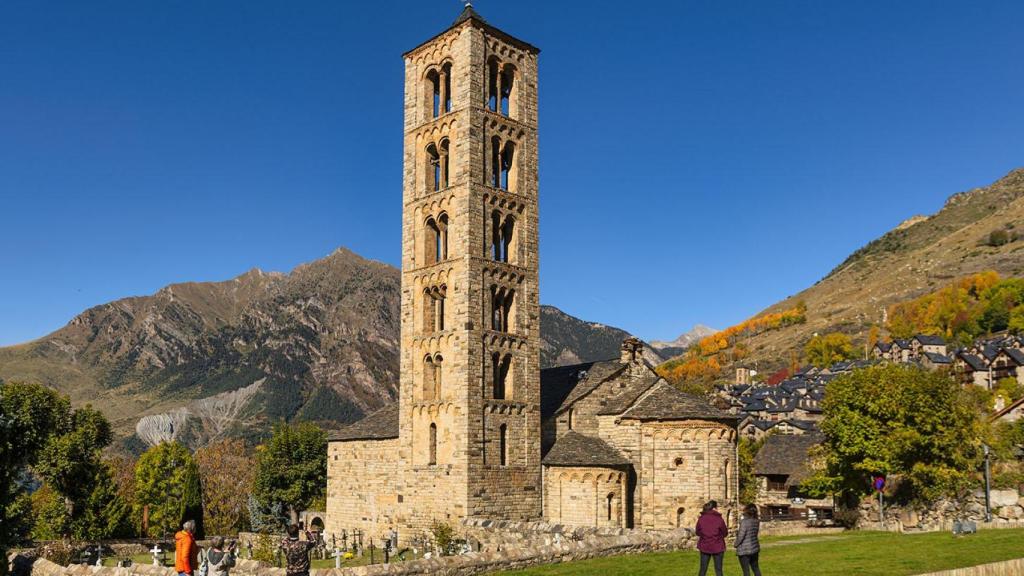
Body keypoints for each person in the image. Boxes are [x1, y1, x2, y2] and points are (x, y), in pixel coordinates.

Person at [695, 500, 728, 576]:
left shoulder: (701, 519)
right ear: (714, 508)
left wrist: (704, 536)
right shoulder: (719, 519)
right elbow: (725, 533)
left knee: (703, 569)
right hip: (718, 546)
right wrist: (718, 537)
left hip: (705, 545)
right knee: (718, 570)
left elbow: (697, 532)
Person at [735, 503, 762, 576]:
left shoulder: (744, 522)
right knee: (756, 568)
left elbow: (741, 535)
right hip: (754, 547)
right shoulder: (756, 521)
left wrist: (735, 544)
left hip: (745, 549)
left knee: (746, 571)